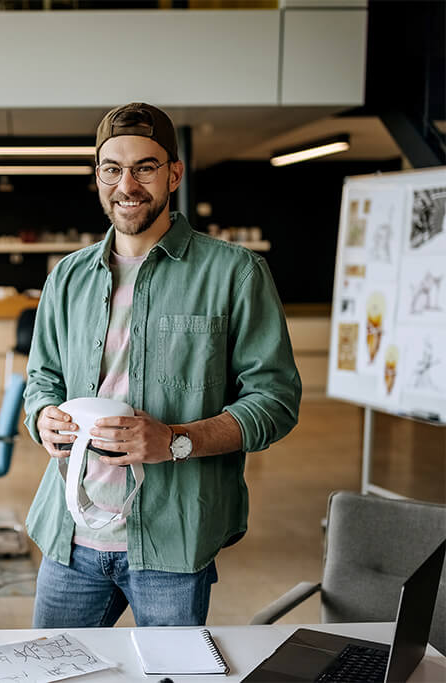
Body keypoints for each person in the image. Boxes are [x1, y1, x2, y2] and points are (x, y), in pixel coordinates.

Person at [24, 102, 301, 628]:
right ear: (98, 177)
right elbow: (41, 380)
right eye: (112, 169)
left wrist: (175, 439)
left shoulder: (235, 273)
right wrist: (42, 417)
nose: (126, 184)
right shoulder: (67, 277)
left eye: (144, 167)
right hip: (70, 537)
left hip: (172, 541)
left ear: (173, 174)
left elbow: (276, 402)